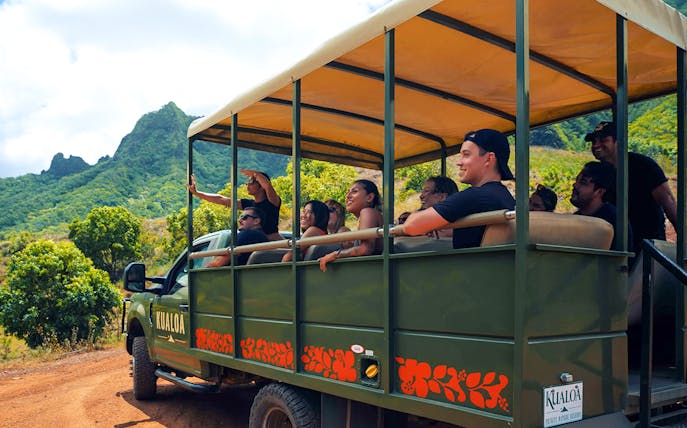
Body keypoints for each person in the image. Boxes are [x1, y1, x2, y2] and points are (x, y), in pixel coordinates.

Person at [403, 129, 516, 248]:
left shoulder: (474, 196)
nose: (459, 162)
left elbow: (411, 226)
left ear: (489, 158)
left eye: (466, 155)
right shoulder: (506, 198)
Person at [586, 121, 677, 251]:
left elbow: (668, 201)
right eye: (593, 142)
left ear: (618, 141)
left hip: (647, 247)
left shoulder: (643, 166)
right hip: (614, 248)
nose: (596, 145)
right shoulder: (599, 173)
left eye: (603, 140)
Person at [187, 169, 283, 241]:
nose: (247, 185)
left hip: (274, 243)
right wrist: (197, 193)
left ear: (261, 185)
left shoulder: (272, 201)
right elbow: (222, 200)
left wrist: (256, 174)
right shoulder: (249, 205)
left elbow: (268, 186)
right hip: (258, 244)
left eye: (251, 182)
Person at [319, 180, 384, 272]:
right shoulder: (369, 215)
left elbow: (365, 250)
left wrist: (336, 254)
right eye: (348, 192)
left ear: (369, 197)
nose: (347, 196)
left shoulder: (367, 212)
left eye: (354, 191)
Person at [570, 162, 631, 252]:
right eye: (576, 180)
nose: (575, 185)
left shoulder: (615, 221)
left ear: (599, 191)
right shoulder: (577, 216)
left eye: (583, 182)